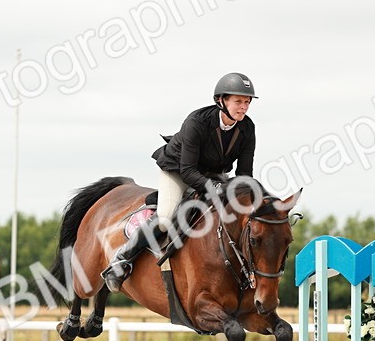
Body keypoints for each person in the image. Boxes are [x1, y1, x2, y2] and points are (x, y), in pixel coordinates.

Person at [102, 72, 258, 292]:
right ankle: (121, 260)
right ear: (221, 101)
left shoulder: (247, 128)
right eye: (238, 101)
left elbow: (244, 174)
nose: (243, 107)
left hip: (213, 175)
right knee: (165, 217)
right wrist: (214, 188)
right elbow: (188, 170)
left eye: (247, 102)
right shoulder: (198, 121)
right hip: (178, 170)